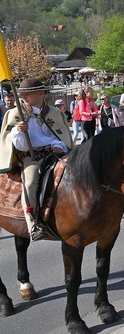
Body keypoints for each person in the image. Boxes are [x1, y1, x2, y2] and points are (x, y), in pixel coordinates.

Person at [0, 79, 74, 241]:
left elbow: (62, 136)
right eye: (21, 94)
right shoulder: (15, 114)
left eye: (27, 94)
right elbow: (15, 143)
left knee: (78, 171)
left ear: (40, 93)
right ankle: (33, 224)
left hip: (55, 154)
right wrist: (18, 132)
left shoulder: (55, 113)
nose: (23, 96)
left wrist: (58, 145)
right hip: (30, 157)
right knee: (31, 181)